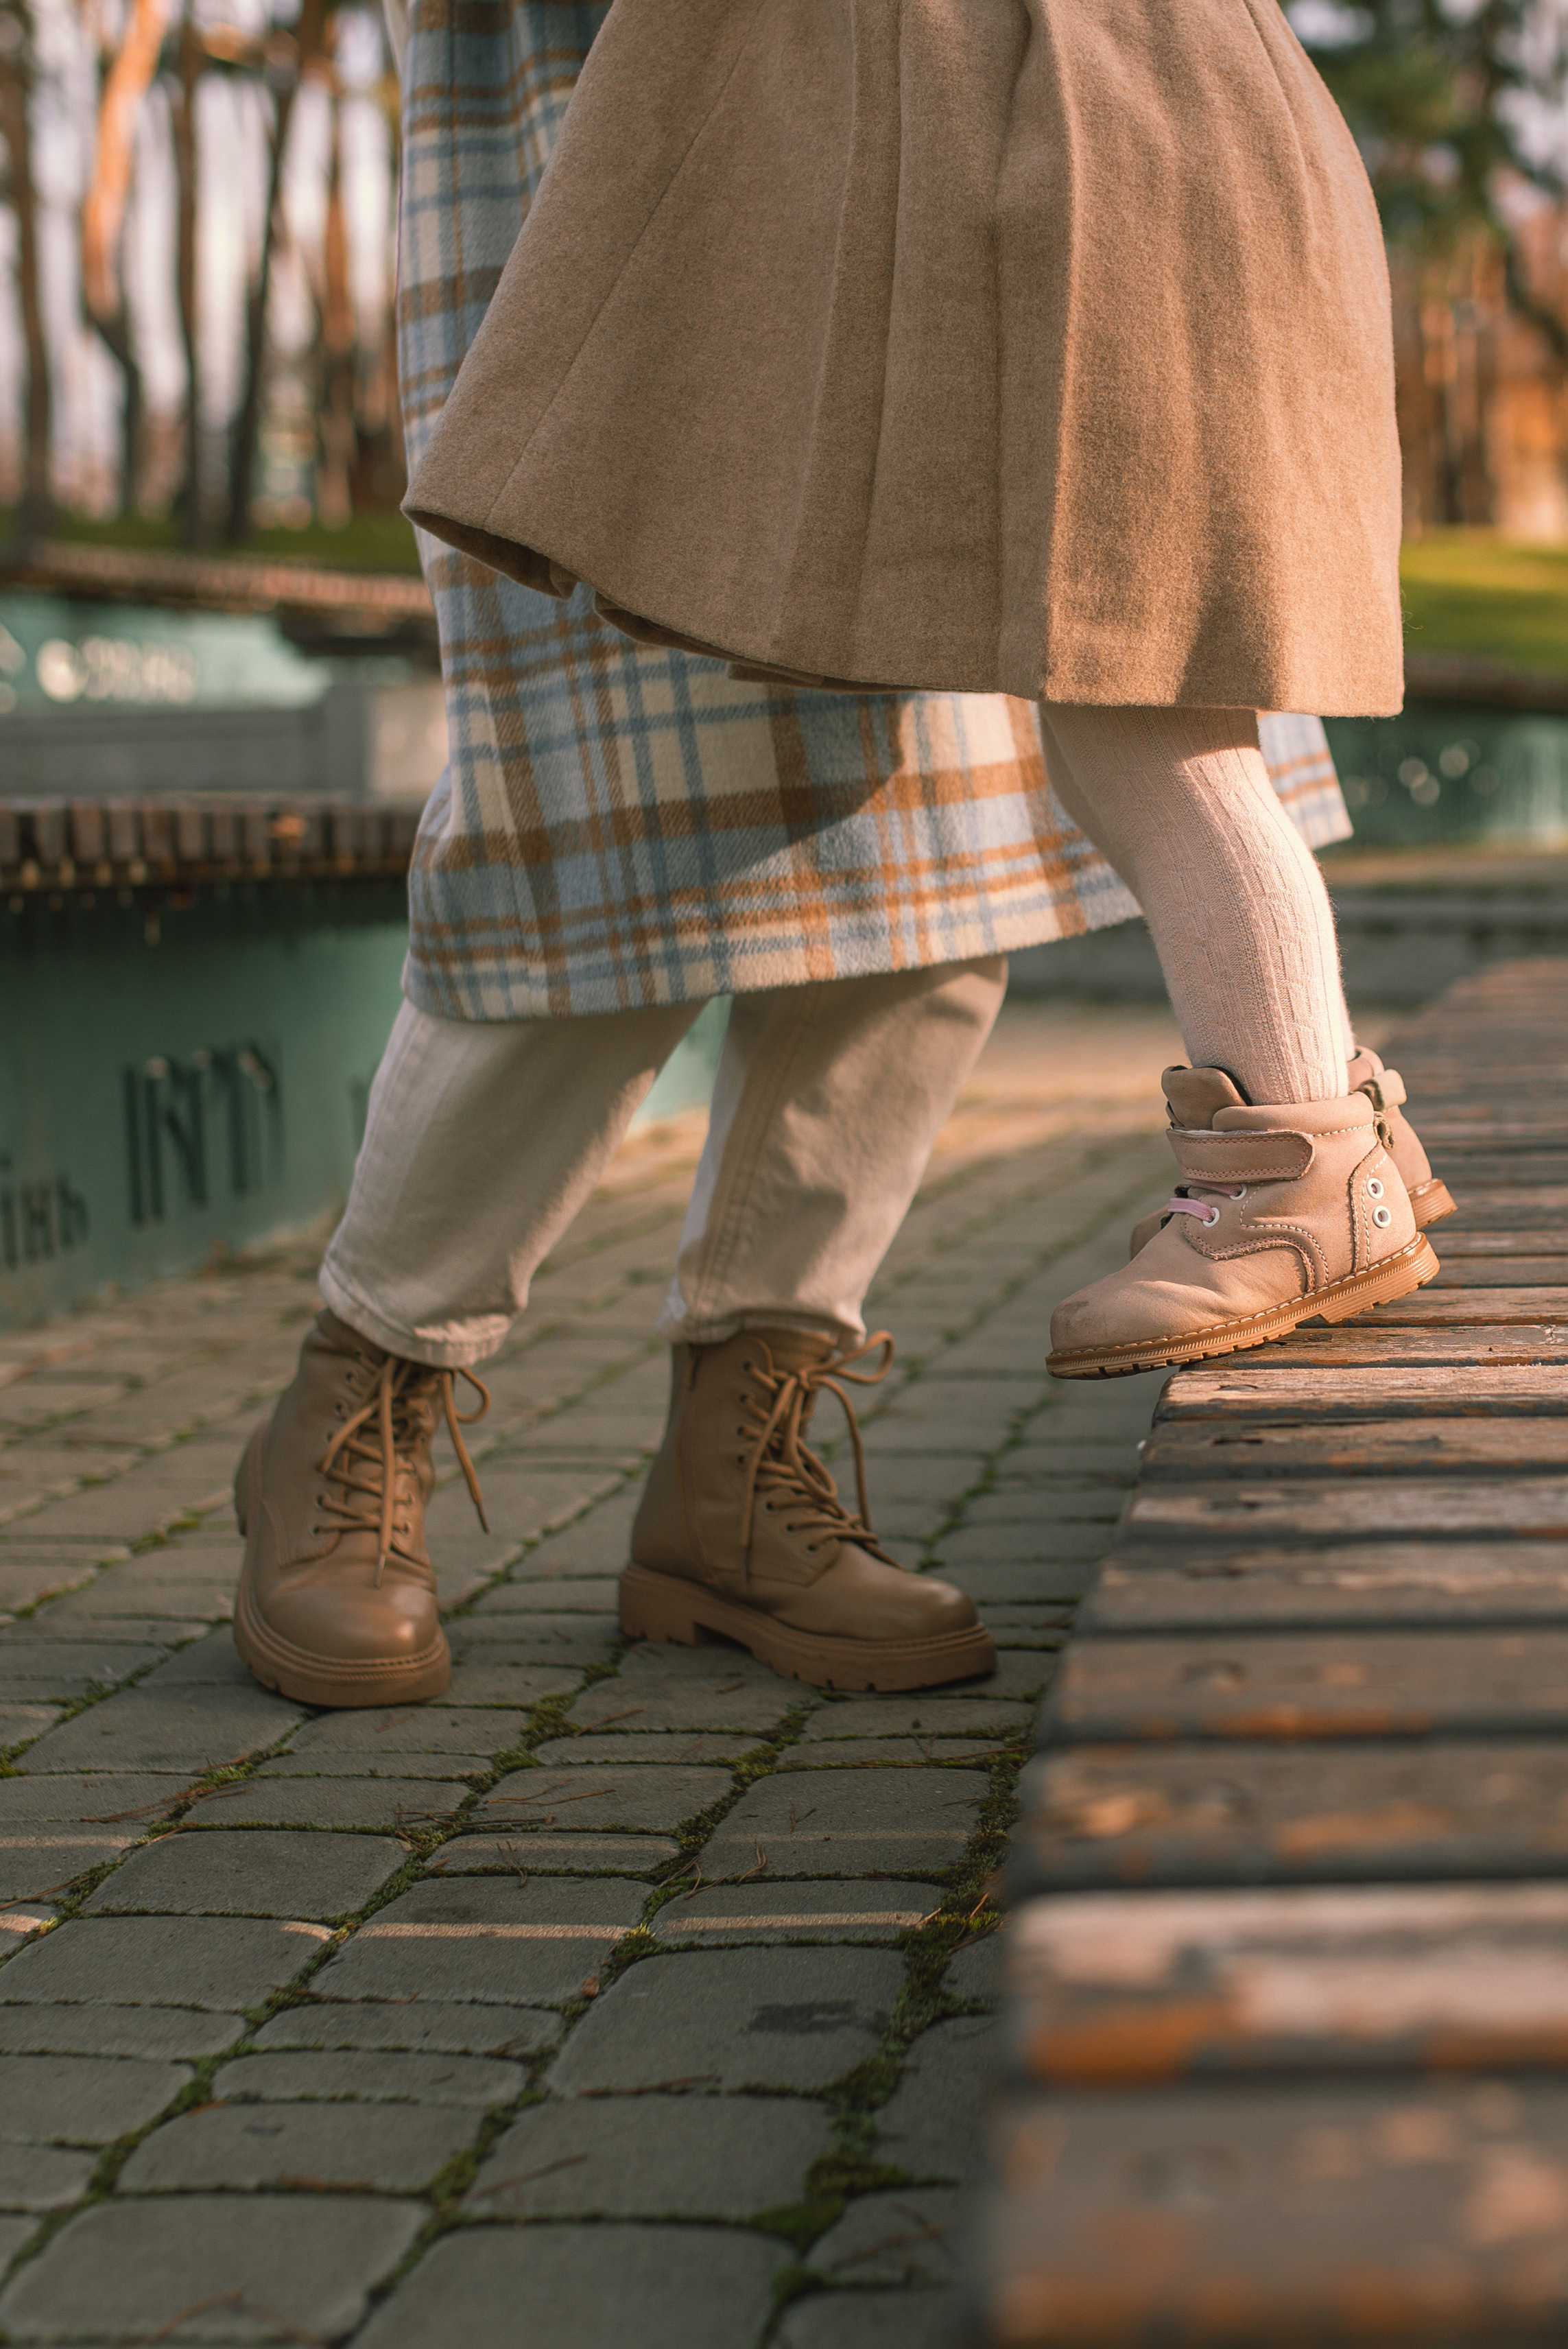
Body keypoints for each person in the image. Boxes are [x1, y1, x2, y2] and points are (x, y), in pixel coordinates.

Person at [230, 1, 1435, 1716]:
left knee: (933, 859)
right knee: (598, 857)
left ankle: (740, 1461)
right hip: (620, 129)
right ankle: (355, 1409)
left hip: (945, 124)